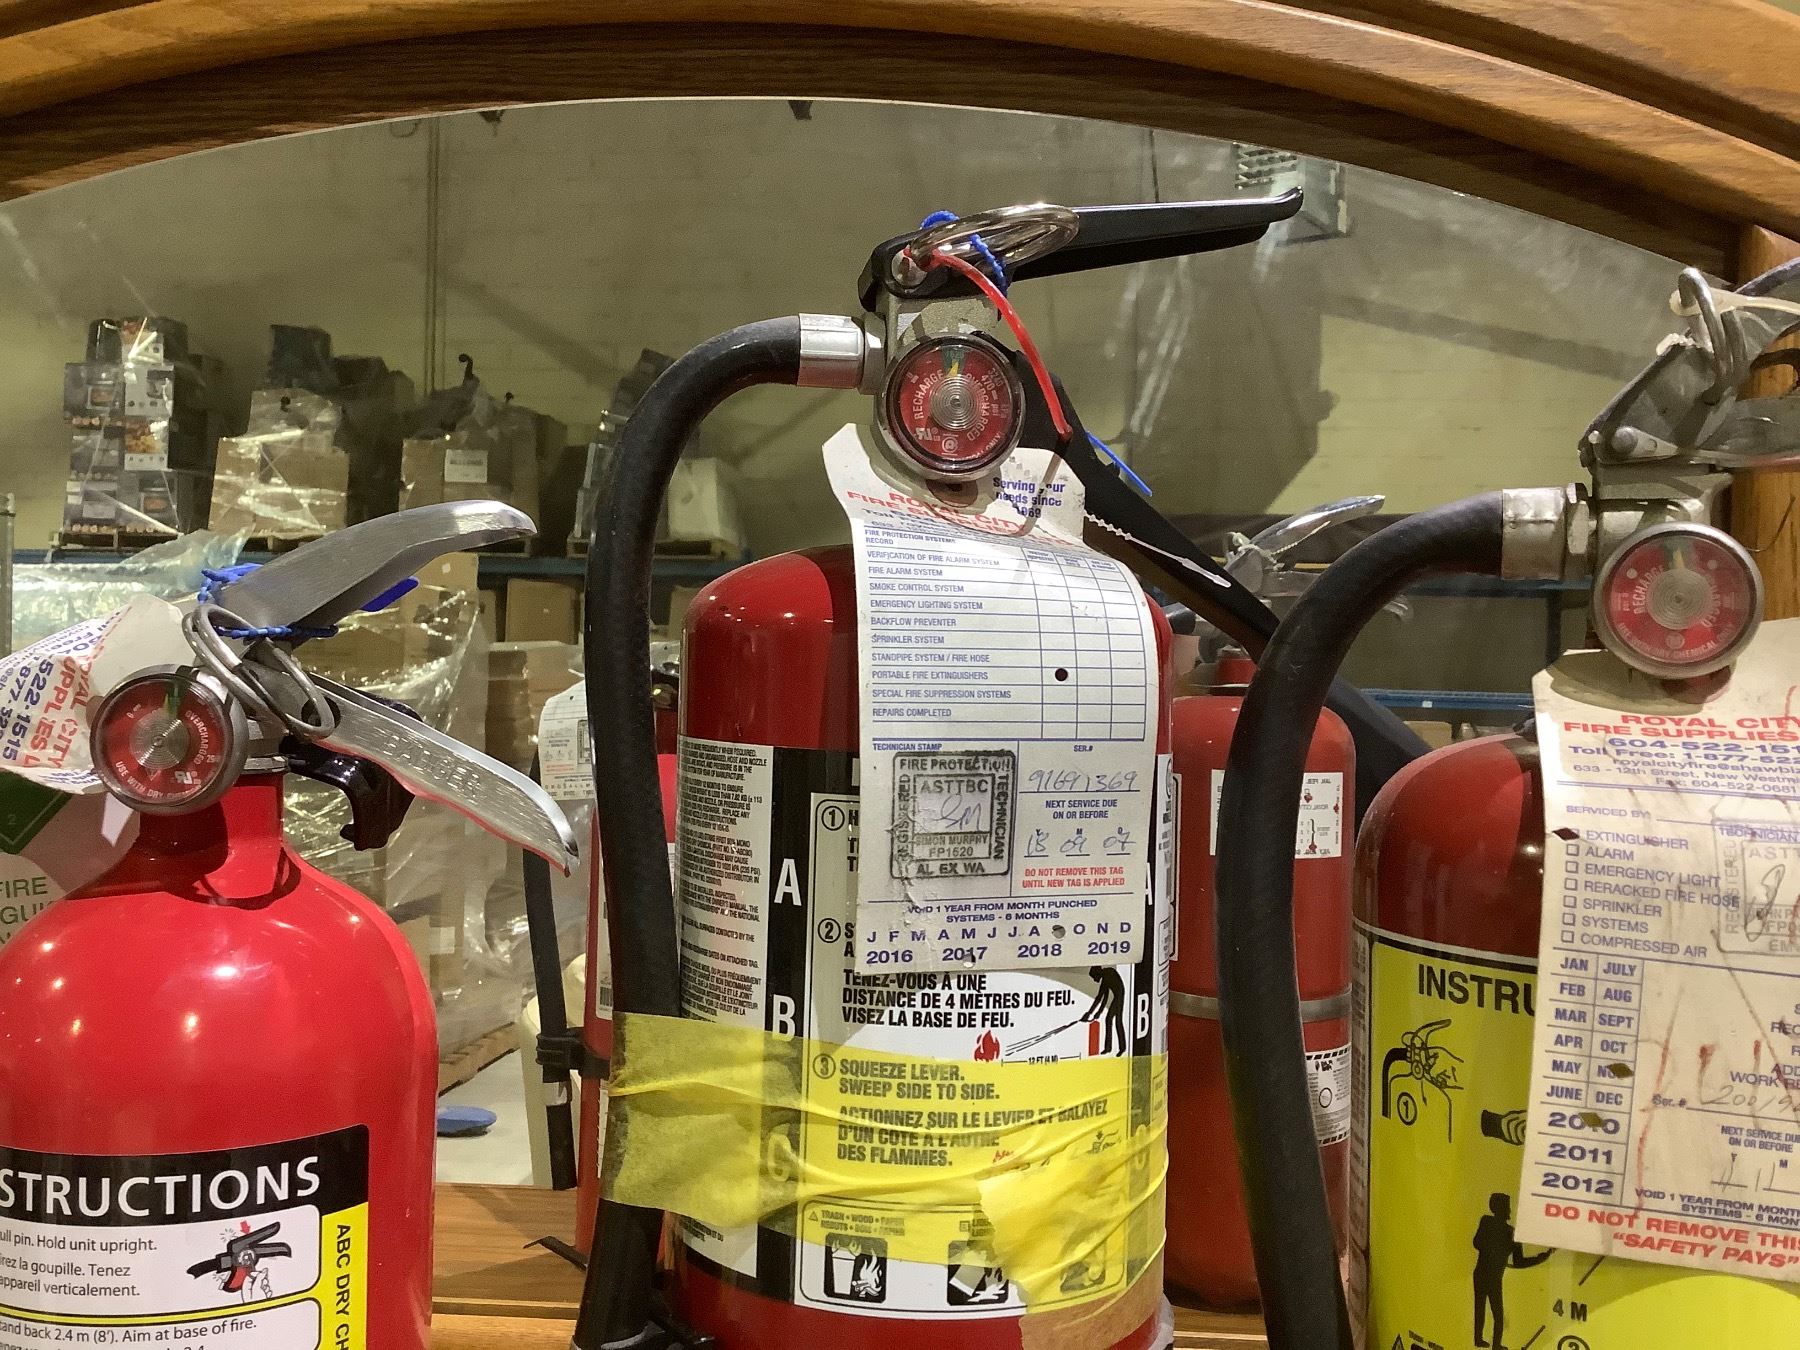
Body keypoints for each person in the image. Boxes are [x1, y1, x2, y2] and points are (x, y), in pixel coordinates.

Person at [1471, 1192, 1550, 1349]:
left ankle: (1490, 1343)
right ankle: (1484, 1341)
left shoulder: (1503, 1229)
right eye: (1507, 1206)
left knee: (1491, 1311)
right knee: (1488, 1311)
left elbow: (1518, 1261)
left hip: (1487, 1275)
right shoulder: (1493, 1225)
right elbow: (1477, 1242)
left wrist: (1541, 1257)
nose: (1509, 1210)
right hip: (1487, 1276)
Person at [1080, 966, 1126, 1055]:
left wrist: (1096, 1013)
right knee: (1109, 1020)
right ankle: (1108, 1048)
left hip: (1119, 995)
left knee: (1118, 1021)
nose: (1094, 980)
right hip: (1117, 996)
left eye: (1094, 977)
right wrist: (1091, 1013)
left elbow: (1103, 997)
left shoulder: (1108, 974)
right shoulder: (1105, 976)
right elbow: (1102, 997)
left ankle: (1122, 1048)